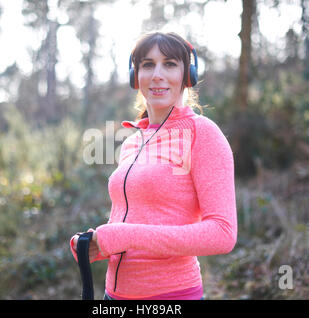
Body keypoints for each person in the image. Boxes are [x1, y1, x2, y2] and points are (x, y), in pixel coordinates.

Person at [71, 31, 237, 300]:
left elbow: (222, 233)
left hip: (171, 296)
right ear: (135, 75)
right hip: (113, 296)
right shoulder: (133, 142)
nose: (157, 74)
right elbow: (131, 222)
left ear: (188, 75)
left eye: (170, 64)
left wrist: (126, 236)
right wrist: (98, 245)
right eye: (148, 64)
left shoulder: (202, 134)